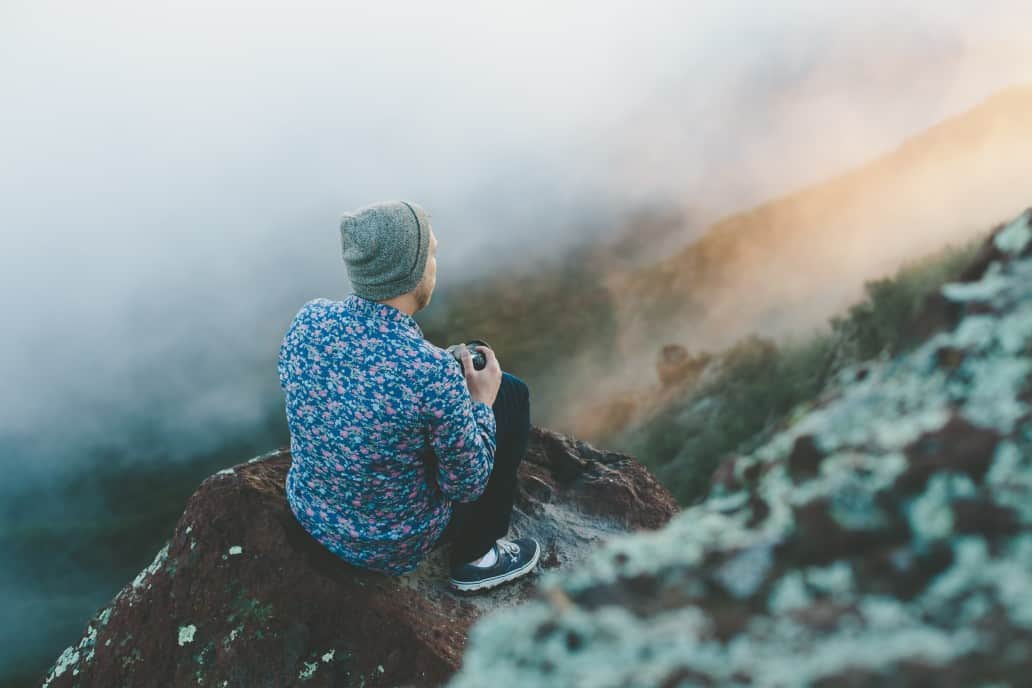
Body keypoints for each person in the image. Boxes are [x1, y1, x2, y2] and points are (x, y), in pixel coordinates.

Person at [278, 199, 540, 592]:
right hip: (390, 545)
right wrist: (481, 403)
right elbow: (467, 484)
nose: (437, 260)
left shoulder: (308, 320)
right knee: (512, 393)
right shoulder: (430, 372)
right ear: (413, 271)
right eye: (432, 253)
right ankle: (477, 557)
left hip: (311, 511)